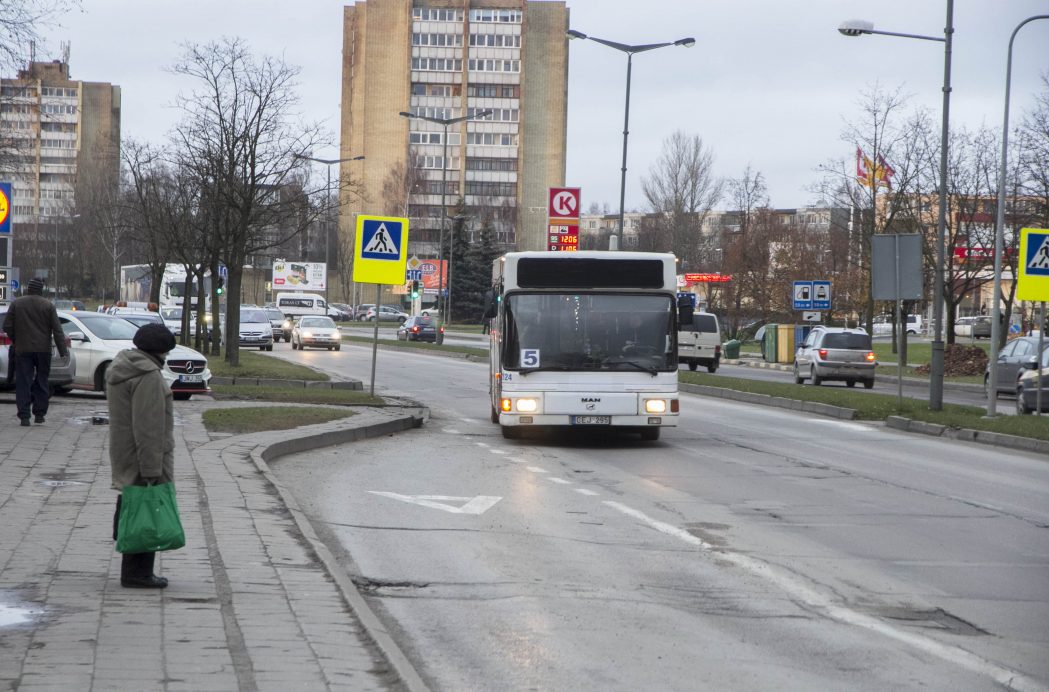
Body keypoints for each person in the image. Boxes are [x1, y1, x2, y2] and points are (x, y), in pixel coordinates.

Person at [107, 323, 177, 589]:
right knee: (144, 511)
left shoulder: (125, 367)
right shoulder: (147, 376)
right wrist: (152, 469)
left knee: (134, 505)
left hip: (125, 450)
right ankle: (138, 574)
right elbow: (148, 427)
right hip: (142, 455)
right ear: (160, 351)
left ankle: (134, 569)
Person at [2, 278, 69, 426]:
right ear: (41, 290)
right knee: (42, 380)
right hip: (43, 350)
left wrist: (16, 339)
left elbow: (7, 326)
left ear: (28, 289)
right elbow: (57, 330)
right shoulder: (48, 306)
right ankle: (39, 414)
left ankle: (24, 416)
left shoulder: (17, 304)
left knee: (23, 382)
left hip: (23, 349)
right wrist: (63, 351)